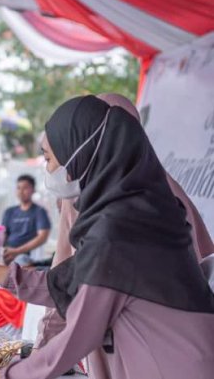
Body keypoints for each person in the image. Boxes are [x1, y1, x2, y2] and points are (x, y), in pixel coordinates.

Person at [0, 95, 214, 379]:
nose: (47, 170)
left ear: (78, 154)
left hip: (174, 365)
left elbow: (81, 331)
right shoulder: (135, 207)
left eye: (48, 158)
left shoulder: (120, 229)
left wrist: (7, 375)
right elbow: (67, 282)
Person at [36, 92, 214, 378]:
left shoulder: (90, 200)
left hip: (137, 341)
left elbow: (66, 277)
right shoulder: (163, 188)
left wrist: (40, 352)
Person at [0, 175, 51, 266]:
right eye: (18, 188)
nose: (21, 191)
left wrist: (16, 251)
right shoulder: (9, 211)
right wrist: (2, 250)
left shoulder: (39, 212)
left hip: (26, 255)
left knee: (20, 263)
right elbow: (3, 235)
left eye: (25, 188)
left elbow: (42, 237)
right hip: (7, 252)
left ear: (33, 190)